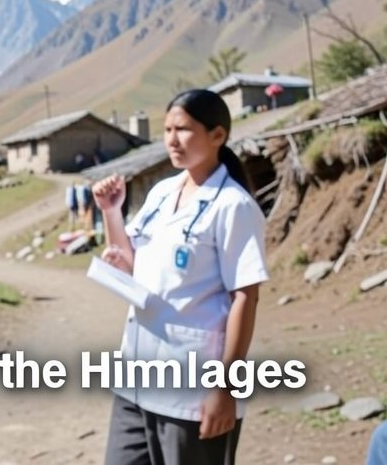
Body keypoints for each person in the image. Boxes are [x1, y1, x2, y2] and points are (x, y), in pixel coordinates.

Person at [93, 89, 268, 465]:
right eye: (168, 129)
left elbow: (245, 298)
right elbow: (130, 261)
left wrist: (225, 387)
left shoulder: (233, 206)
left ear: (217, 135)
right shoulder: (161, 193)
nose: (172, 139)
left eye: (184, 129)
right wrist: (111, 213)